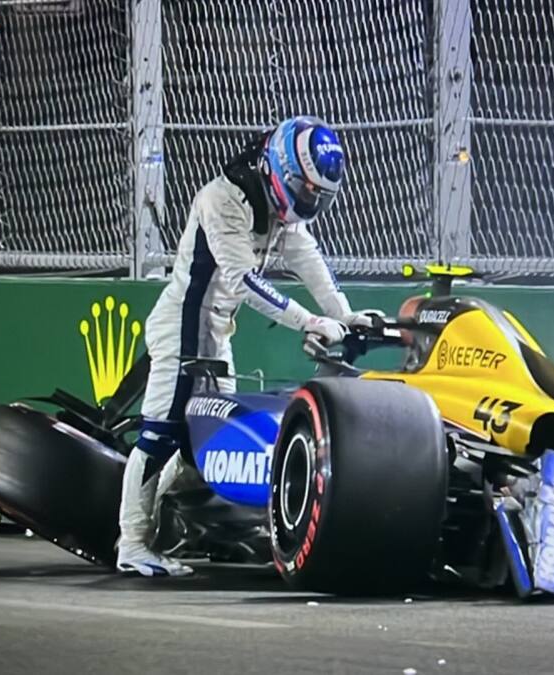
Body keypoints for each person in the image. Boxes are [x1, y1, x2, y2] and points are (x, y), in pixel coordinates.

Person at [117, 116, 382, 576]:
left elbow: (309, 260)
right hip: (181, 330)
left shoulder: (279, 213)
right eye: (306, 188)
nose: (309, 200)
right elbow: (244, 281)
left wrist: (344, 313)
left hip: (216, 334)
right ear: (280, 168)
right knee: (160, 436)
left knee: (203, 442)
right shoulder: (220, 200)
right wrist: (310, 321)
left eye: (319, 194)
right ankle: (131, 544)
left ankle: (158, 529)